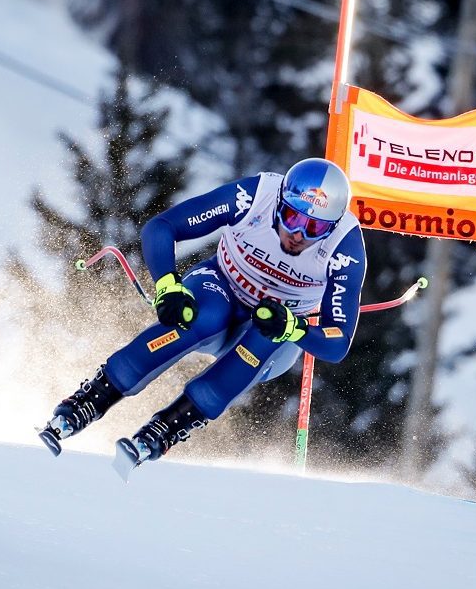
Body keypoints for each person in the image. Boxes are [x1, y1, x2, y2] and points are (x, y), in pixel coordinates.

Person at [39, 157, 367, 474]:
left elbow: (337, 343)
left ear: (333, 227)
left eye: (314, 227)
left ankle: (167, 429)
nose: (299, 235)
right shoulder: (255, 197)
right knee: (200, 317)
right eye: (293, 218)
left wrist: (295, 328)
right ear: (279, 201)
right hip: (222, 285)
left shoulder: (345, 249)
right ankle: (90, 399)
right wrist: (168, 285)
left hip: (278, 323)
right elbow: (162, 227)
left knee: (265, 335)